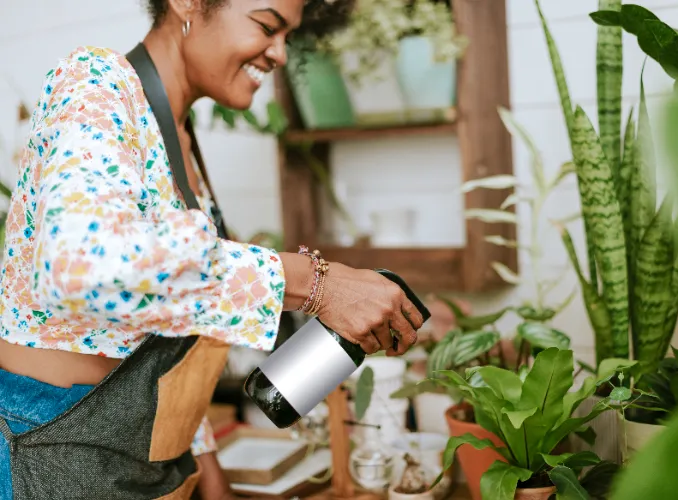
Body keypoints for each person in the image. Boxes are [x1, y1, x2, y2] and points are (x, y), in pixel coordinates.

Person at [0, 1, 426, 499]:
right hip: (58, 448)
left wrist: (210, 474)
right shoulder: (95, 80)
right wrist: (315, 283)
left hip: (152, 464)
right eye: (267, 26)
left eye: (288, 35)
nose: (280, 54)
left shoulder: (181, 137)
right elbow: (81, 263)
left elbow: (170, 335)